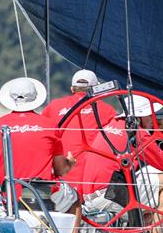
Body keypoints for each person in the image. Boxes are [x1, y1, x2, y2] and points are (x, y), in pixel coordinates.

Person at [0, 77, 79, 219]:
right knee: (75, 199)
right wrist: (70, 163)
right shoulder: (50, 125)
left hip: (10, 200)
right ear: (35, 98)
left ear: (10, 99)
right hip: (43, 199)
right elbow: (60, 169)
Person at [80, 94, 163, 233]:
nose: (153, 120)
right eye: (150, 115)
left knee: (155, 193)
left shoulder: (110, 126)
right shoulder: (137, 132)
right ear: (140, 117)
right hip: (109, 196)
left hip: (92, 197)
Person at [42, 69, 117, 197]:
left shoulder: (53, 107)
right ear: (96, 89)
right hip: (93, 183)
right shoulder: (107, 111)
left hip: (61, 180)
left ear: (72, 89)